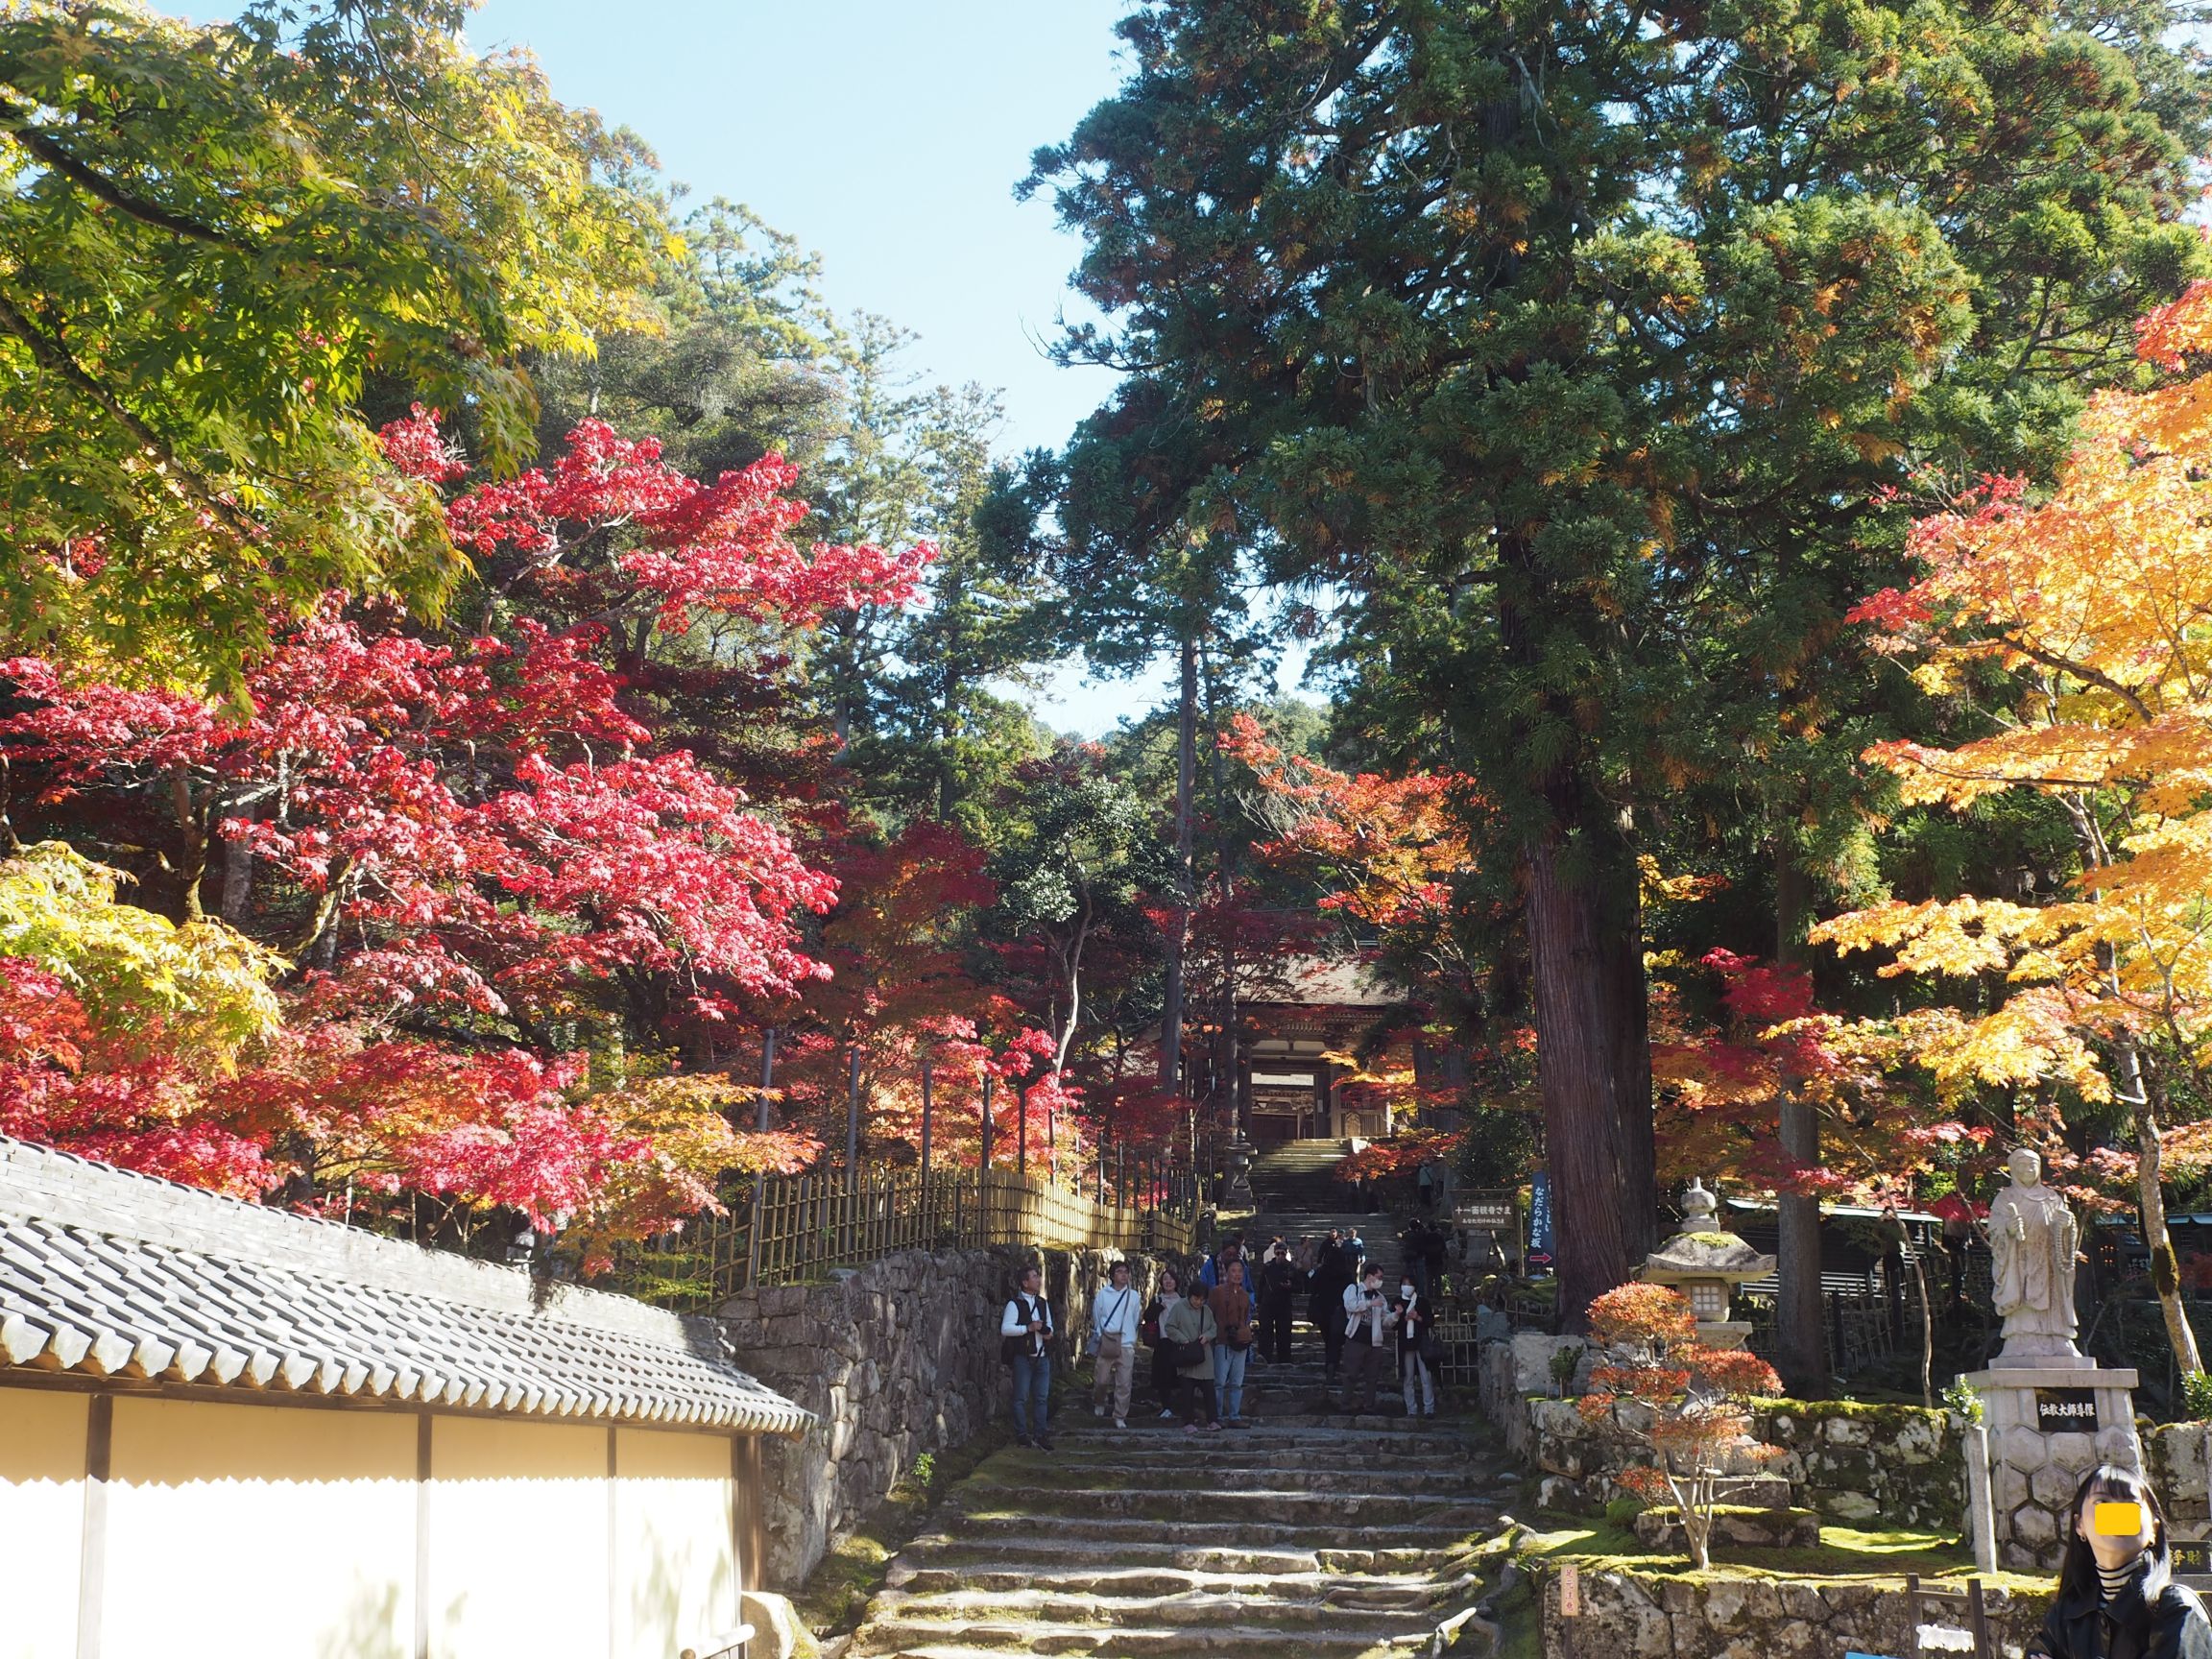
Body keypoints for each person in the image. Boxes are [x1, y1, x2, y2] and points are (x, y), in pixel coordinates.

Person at [2032, 1464, 2211, 1659]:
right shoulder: (2064, 1616)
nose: (2116, 1514)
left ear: (2154, 1529)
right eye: (2102, 1502)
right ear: (2079, 1525)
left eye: (2130, 1504)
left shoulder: (2176, 1607)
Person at [999, 1263, 1056, 1450]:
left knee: (1041, 1397)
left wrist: (1047, 1332)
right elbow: (1006, 1329)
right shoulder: (1014, 1304)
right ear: (1025, 1282)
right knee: (1020, 1397)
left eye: (1038, 1276)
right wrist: (1028, 1328)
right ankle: (1022, 1434)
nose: (1038, 1280)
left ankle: (1040, 1434)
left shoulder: (1042, 1303)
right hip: (1023, 1357)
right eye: (1034, 1277)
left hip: (1042, 1355)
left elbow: (1049, 1325)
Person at [1162, 1278, 1222, 1432]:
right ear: (1190, 1296)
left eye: (1202, 1299)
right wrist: (1182, 1339)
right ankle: (1188, 1421)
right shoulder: (1179, 1308)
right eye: (1196, 1299)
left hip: (1204, 1355)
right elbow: (1170, 1327)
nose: (1199, 1302)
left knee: (1209, 1389)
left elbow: (1214, 1328)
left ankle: (1213, 1420)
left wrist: (1207, 1336)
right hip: (1186, 1354)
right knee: (1187, 1390)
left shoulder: (1206, 1310)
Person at [1337, 1263, 1396, 1414]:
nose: (1380, 1280)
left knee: (1372, 1376)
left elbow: (1385, 1320)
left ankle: (1369, 1405)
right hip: (1355, 1338)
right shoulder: (1353, 1289)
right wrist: (1369, 1303)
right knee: (1351, 1374)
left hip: (1374, 1342)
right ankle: (1345, 1403)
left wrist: (1396, 1315)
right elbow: (1350, 1305)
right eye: (1379, 1277)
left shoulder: (1380, 1297)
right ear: (1369, 1276)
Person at [1091, 1259, 1141, 1430]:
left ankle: (1120, 1415)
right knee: (1101, 1379)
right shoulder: (1103, 1295)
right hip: (1107, 1341)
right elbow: (1097, 1316)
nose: (1123, 1275)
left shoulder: (1133, 1296)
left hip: (1126, 1343)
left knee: (1124, 1383)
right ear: (1112, 1275)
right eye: (1119, 1272)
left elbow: (1135, 1318)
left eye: (1126, 1272)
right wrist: (1102, 1333)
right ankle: (1099, 1401)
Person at [1210, 1257, 1256, 1428]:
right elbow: (1211, 1313)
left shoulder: (1245, 1295)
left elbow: (1246, 1318)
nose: (1237, 1274)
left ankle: (1234, 1415)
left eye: (1240, 1271)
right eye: (1233, 1271)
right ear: (1227, 1273)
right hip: (1222, 1340)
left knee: (1237, 1381)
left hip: (1240, 1341)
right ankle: (1217, 1415)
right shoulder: (1217, 1292)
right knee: (1220, 1381)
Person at [1313, 1228, 1353, 1386]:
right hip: (1339, 1311)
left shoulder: (1321, 1272)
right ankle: (1332, 1363)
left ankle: (1329, 1364)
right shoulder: (1346, 1275)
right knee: (1336, 1340)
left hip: (1323, 1310)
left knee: (1328, 1339)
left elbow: (1312, 1287)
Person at [1395, 1273, 1437, 1417]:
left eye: (1409, 1284)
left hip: (1421, 1342)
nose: (1406, 1287)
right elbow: (1394, 1325)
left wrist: (1418, 1317)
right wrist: (1403, 1318)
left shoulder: (1422, 1302)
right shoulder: (1398, 1302)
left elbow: (1430, 1321)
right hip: (1406, 1343)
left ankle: (1429, 1408)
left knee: (1426, 1376)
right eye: (1404, 1284)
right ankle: (1411, 1409)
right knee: (1408, 1377)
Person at [1143, 1267, 1183, 1420]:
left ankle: (1183, 1406)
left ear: (1176, 1282)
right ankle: (1166, 1406)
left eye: (1171, 1279)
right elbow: (1147, 1317)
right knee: (1164, 1375)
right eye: (1165, 1279)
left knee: (1181, 1375)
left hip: (1180, 1342)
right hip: (1163, 1341)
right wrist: (1159, 1307)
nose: (1168, 1282)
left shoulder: (1183, 1300)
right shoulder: (1157, 1300)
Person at [1257, 1238, 1297, 1364]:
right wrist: (1259, 1302)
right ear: (1274, 1253)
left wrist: (1290, 1286)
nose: (1280, 1256)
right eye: (1278, 1253)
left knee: (1284, 1333)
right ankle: (1265, 1357)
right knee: (1265, 1331)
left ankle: (1284, 1359)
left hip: (1284, 1304)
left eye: (1282, 1253)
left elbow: (1299, 1287)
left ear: (1286, 1253)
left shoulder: (1291, 1267)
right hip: (1268, 1303)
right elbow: (1261, 1285)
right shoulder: (1268, 1267)